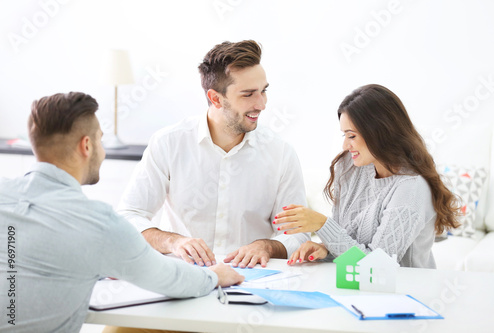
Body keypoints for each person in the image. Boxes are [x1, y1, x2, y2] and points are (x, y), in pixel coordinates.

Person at [0, 92, 244, 333]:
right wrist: (214, 276)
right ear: (86, 145)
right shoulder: (97, 223)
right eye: (100, 140)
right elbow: (167, 278)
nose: (102, 151)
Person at [118, 40, 309, 269]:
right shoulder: (169, 143)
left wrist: (265, 246)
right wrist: (173, 241)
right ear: (216, 98)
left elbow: (298, 234)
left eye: (263, 91)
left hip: (254, 282)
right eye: (248, 94)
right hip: (183, 277)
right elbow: (128, 217)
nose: (261, 104)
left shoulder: (281, 153)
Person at [274, 84, 461, 268]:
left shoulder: (410, 187)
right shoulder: (349, 168)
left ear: (380, 133)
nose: (345, 146)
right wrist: (326, 249)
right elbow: (350, 243)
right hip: (358, 286)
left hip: (405, 291)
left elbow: (377, 267)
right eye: (344, 135)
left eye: (352, 136)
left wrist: (323, 225)